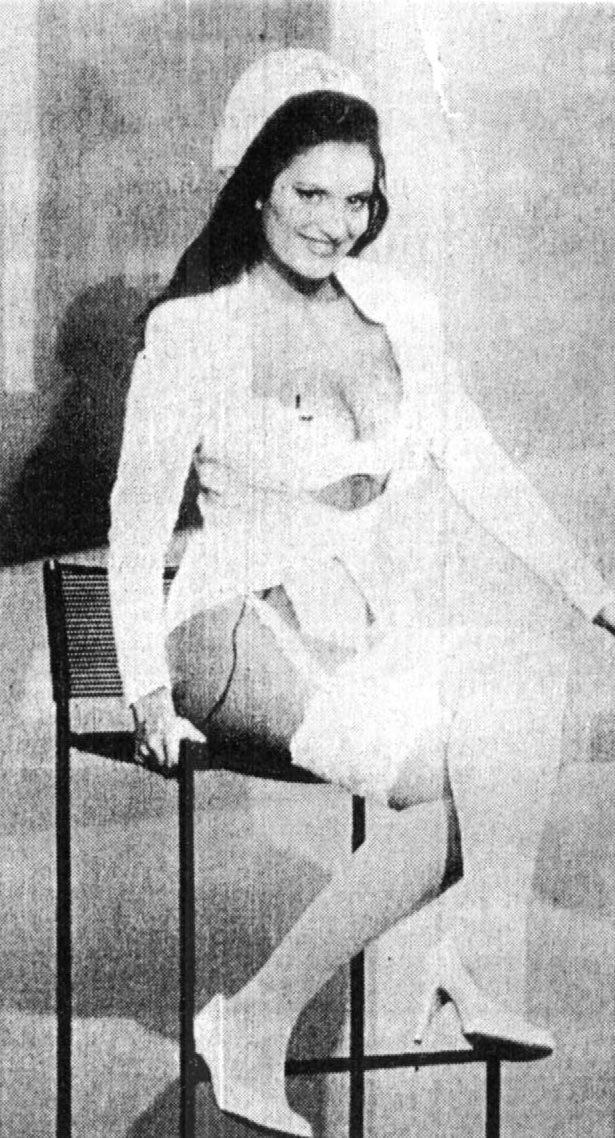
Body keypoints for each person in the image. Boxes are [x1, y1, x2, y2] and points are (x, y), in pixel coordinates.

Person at [109, 49, 615, 1138]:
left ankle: (333, 997)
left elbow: (481, 467)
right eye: (309, 194)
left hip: (352, 629)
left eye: (356, 199)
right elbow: (137, 518)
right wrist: (144, 687)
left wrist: (597, 597)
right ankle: (412, 979)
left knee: (521, 691)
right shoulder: (191, 330)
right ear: (258, 186)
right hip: (228, 622)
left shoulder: (400, 313)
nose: (334, 224)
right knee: (476, 778)